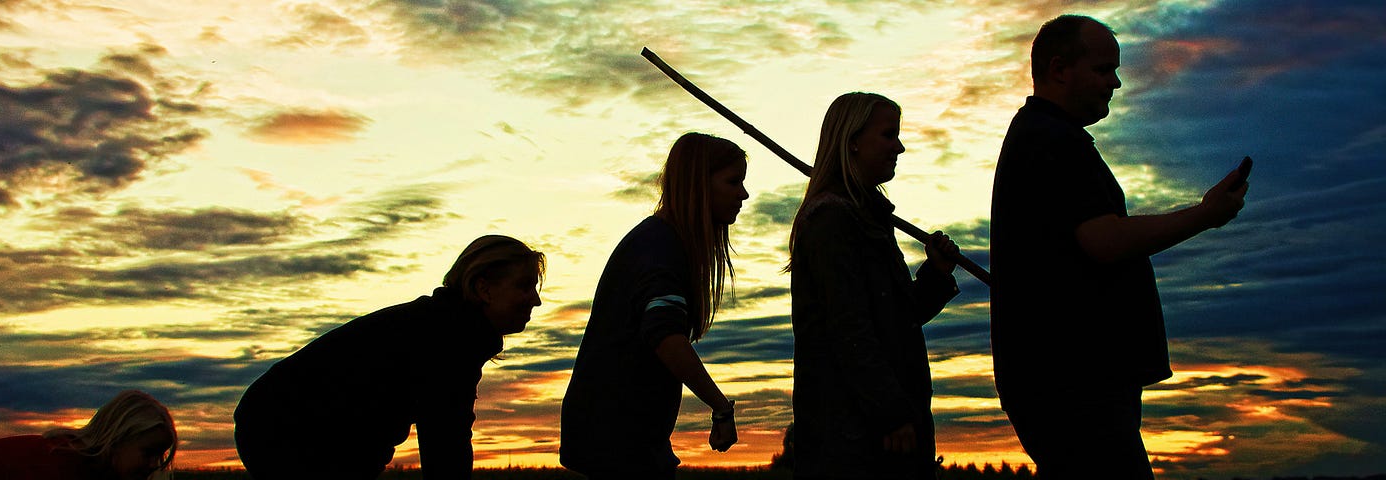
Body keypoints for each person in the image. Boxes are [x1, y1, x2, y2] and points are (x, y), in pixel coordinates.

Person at [989, 15, 1249, 479]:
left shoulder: (1047, 137)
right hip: (1073, 384)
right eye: (1104, 69)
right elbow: (1104, 241)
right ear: (1059, 68)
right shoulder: (1050, 141)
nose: (1116, 82)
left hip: (1070, 381)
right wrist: (1205, 215)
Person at [233, 235, 545, 480]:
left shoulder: (447, 325)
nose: (537, 300)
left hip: (285, 427)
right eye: (524, 286)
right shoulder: (447, 337)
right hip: (285, 430)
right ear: (484, 289)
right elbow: (446, 443)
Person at [787, 92, 961, 480]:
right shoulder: (832, 220)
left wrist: (936, 273)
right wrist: (891, 412)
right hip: (855, 439)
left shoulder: (867, 217)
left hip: (875, 430)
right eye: (888, 135)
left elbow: (896, 318)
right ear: (852, 139)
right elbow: (849, 330)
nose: (899, 146)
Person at [558, 132, 748, 479]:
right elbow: (665, 336)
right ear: (698, 185)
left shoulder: (660, 242)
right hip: (616, 436)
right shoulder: (660, 248)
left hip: (623, 433)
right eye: (733, 181)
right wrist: (721, 407)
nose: (743, 194)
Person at [0, 389, 177, 480]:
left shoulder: (92, 468)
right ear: (116, 440)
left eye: (161, 454)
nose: (153, 464)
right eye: (148, 453)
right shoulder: (61, 466)